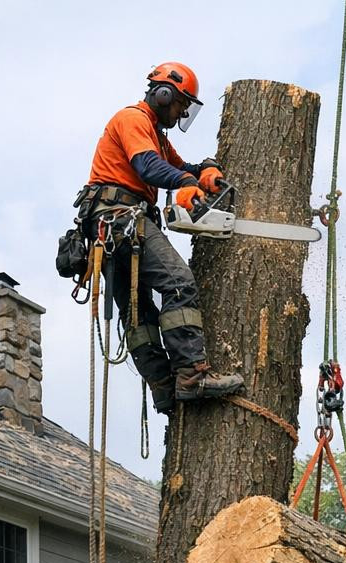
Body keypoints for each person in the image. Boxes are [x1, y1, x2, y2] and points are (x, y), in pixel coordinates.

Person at [76, 61, 243, 414]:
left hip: (112, 228)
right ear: (164, 93)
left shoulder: (157, 137)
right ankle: (191, 375)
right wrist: (185, 183)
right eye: (181, 104)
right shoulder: (133, 119)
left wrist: (204, 172)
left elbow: (178, 168)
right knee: (179, 283)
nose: (182, 112)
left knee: (138, 314)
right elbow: (148, 167)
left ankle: (164, 387)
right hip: (120, 219)